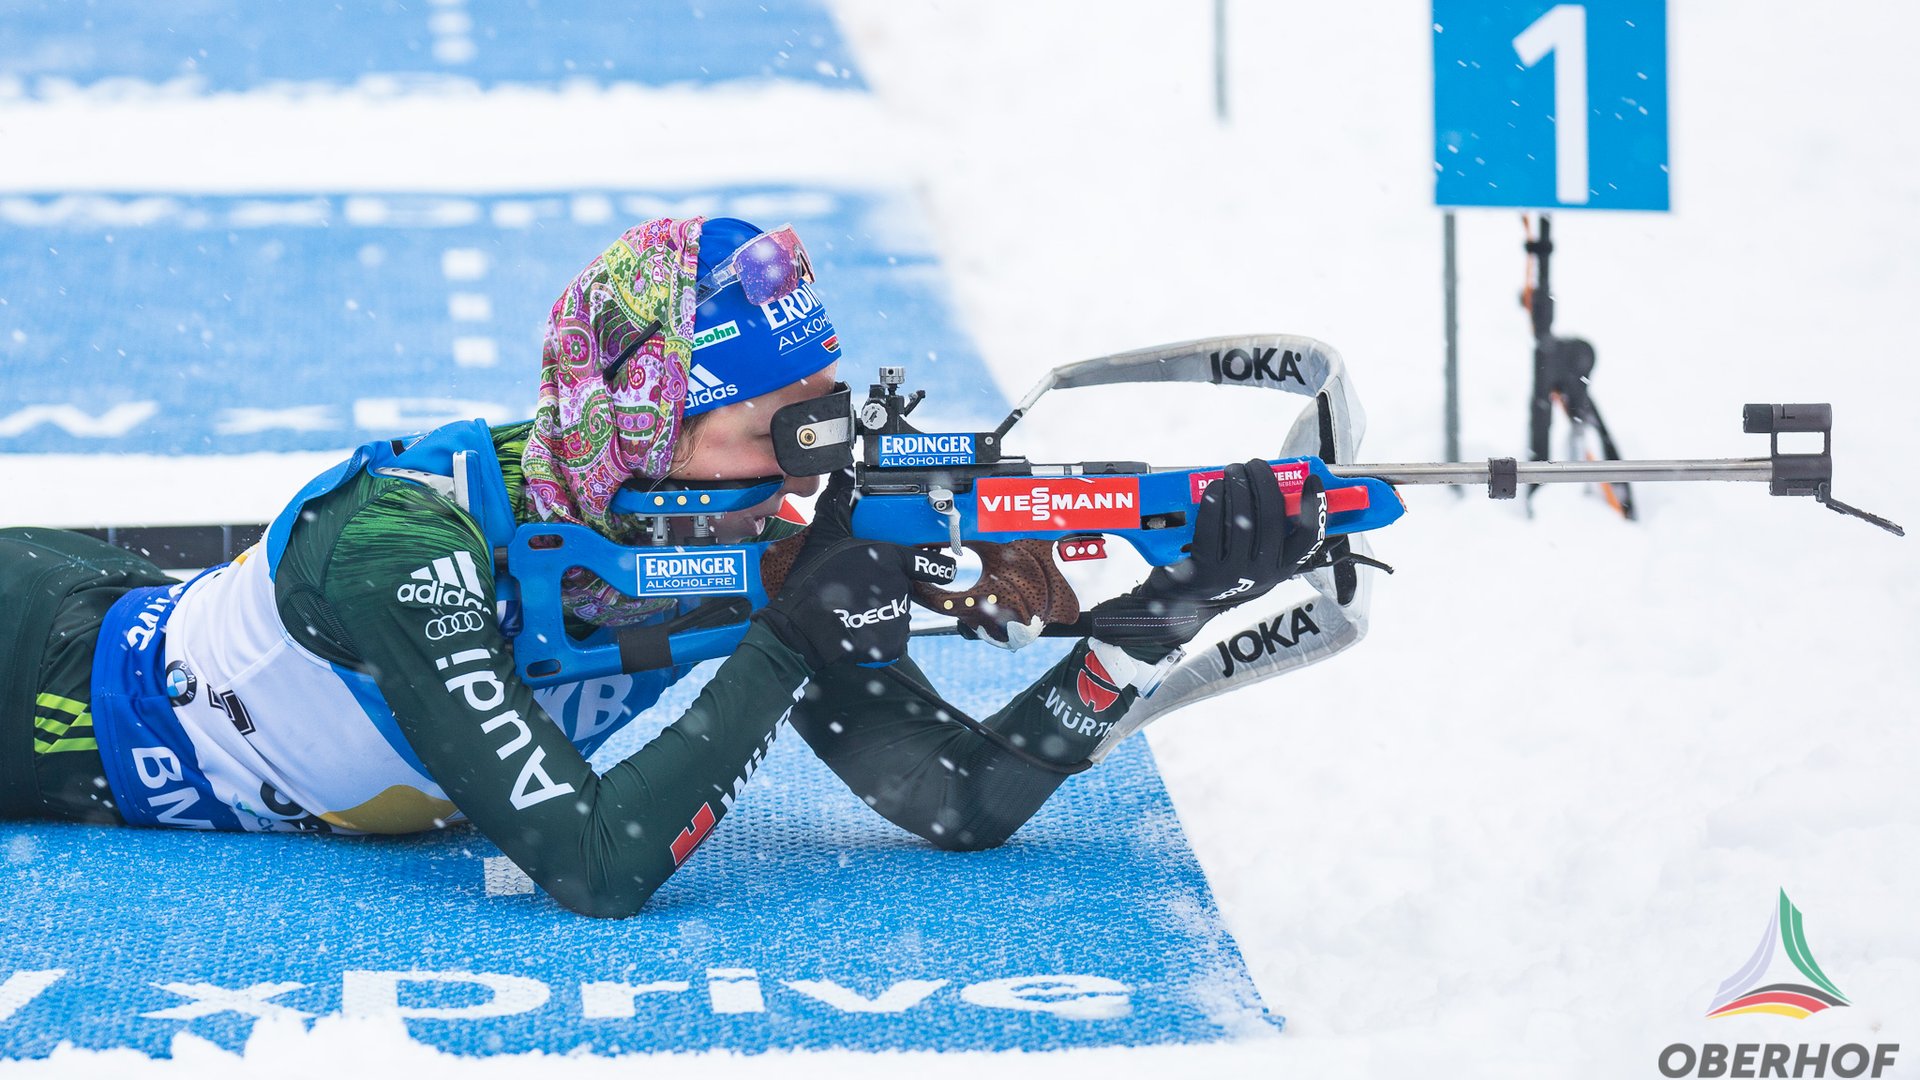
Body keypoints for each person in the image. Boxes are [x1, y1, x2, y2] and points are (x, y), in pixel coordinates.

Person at [0, 216, 1325, 918]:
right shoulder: (405, 549)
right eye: (775, 432)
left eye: (825, 422)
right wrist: (792, 635)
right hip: (32, 680)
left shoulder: (736, 541)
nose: (805, 476)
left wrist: (1158, 618)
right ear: (646, 426)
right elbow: (595, 866)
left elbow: (954, 801)